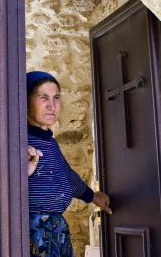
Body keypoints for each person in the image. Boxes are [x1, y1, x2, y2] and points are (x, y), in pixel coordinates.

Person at [27, 71, 111, 257]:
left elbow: (68, 176)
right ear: (25, 102)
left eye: (56, 97)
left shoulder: (51, 143)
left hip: (56, 227)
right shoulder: (18, 142)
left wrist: (93, 197)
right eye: (43, 97)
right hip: (33, 228)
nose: (52, 105)